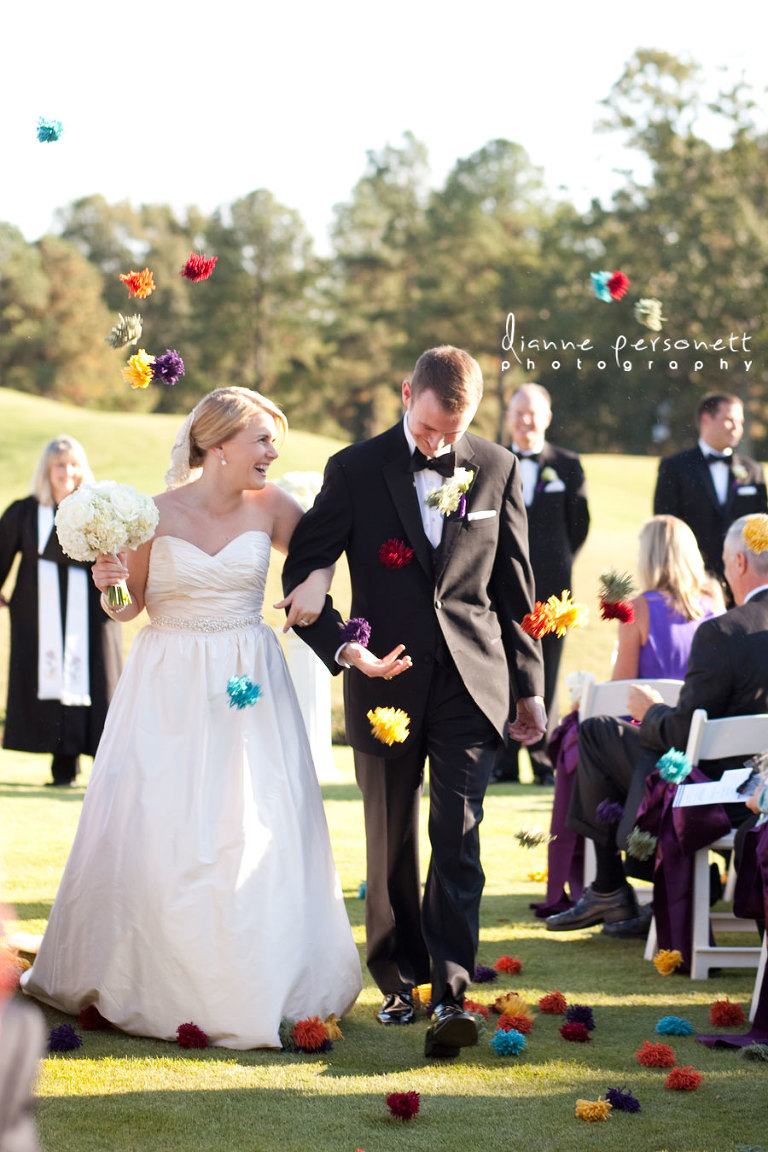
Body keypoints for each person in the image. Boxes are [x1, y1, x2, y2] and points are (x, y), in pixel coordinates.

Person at [21, 388, 362, 1048]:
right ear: (218, 444)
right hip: (168, 684)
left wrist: (318, 580)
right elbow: (128, 608)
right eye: (263, 439)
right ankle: (152, 980)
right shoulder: (153, 513)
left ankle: (260, 979)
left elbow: (322, 546)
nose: (273, 452)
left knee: (249, 822)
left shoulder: (277, 507)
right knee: (164, 822)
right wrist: (109, 578)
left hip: (248, 681)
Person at [282, 346, 545, 1058]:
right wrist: (341, 641)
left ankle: (453, 998)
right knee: (390, 837)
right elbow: (305, 564)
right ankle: (400, 981)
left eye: (451, 433)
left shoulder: (496, 466)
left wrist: (529, 688)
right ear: (407, 395)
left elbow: (515, 590)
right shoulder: (355, 468)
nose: (439, 444)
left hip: (471, 682)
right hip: (385, 683)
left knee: (457, 835)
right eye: (429, 430)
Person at [546, 513, 768, 934]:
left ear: (739, 562)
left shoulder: (725, 632)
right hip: (762, 791)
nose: (721, 571)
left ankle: (611, 886)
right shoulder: (716, 616)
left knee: (593, 733)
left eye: (723, 561)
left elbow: (684, 735)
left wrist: (651, 711)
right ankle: (624, 884)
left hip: (716, 794)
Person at [0, 436, 123, 786]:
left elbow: (116, 559)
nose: (66, 471)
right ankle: (62, 767)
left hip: (93, 613)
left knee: (100, 680)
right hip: (38, 616)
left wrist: (120, 598)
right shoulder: (24, 512)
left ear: (81, 469)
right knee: (48, 682)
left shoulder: (99, 511)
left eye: (72, 464)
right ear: (47, 470)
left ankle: (106, 765)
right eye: (59, 465)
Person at [492, 383, 589, 784]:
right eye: (519, 413)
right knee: (503, 669)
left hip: (553, 591)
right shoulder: (490, 460)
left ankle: (543, 758)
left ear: (547, 418)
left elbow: (579, 525)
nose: (526, 420)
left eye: (533, 413)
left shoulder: (567, 464)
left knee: (546, 670)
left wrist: (555, 562)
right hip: (498, 587)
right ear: (509, 417)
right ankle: (504, 760)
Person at [653, 391, 766, 584]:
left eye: (740, 422)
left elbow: (762, 528)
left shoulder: (753, 471)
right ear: (706, 419)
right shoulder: (675, 467)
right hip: (691, 579)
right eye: (730, 420)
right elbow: (665, 526)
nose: (737, 428)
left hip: (743, 580)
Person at [611, 515, 724, 682]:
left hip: (650, 707)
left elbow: (619, 690)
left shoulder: (636, 610)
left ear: (648, 558)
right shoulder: (713, 603)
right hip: (702, 707)